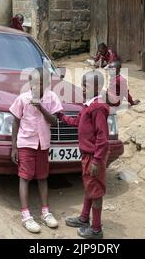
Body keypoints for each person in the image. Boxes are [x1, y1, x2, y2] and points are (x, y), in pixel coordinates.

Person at [9, 67, 63, 233]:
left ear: (46, 83)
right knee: (24, 177)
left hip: (43, 143)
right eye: (33, 82)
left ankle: (45, 212)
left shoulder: (52, 97)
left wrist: (40, 107)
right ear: (29, 83)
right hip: (26, 143)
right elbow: (16, 122)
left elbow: (54, 121)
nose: (36, 86)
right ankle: (26, 216)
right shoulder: (22, 99)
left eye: (40, 83)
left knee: (42, 177)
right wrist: (14, 146)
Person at [58, 70, 110, 239]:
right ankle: (83, 218)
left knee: (95, 190)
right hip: (87, 155)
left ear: (97, 87)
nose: (82, 88)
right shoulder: (87, 106)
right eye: (82, 85)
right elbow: (77, 122)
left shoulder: (98, 108)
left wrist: (96, 160)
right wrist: (60, 116)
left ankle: (96, 229)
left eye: (85, 85)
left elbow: (103, 137)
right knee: (89, 186)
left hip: (94, 156)